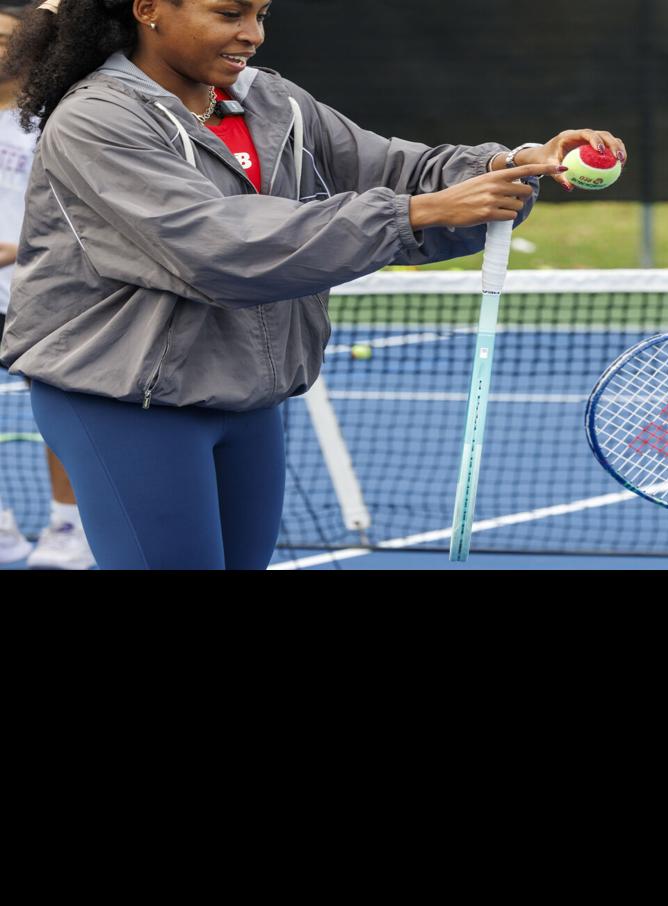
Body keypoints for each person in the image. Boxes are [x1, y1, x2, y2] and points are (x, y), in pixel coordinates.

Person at [0, 0, 625, 569]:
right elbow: (218, 246)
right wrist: (416, 213)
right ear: (148, 10)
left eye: (261, 14)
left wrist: (508, 164)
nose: (252, 34)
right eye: (229, 14)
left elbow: (394, 168)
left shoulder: (272, 100)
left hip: (247, 393)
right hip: (124, 397)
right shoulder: (97, 118)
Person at [0, 0, 92, 568]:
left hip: (42, 294)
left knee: (60, 416)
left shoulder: (58, 119)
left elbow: (80, 209)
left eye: (4, 38)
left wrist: (19, 249)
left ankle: (69, 526)